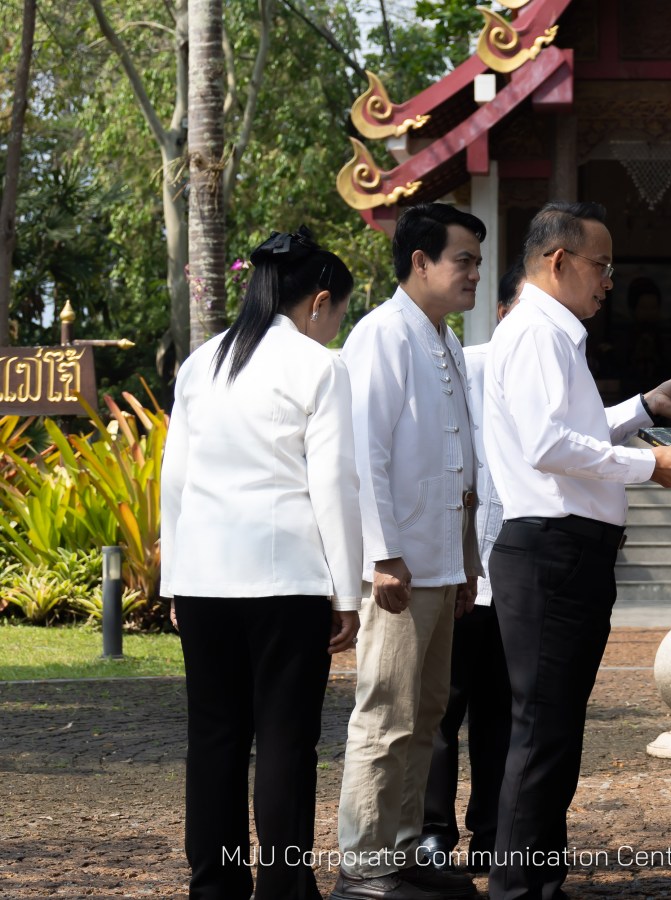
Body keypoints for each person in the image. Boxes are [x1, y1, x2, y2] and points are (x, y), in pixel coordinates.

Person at [482, 201, 671, 900]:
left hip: (564, 549)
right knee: (542, 734)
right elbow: (549, 446)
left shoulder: (553, 334)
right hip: (551, 549)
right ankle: (520, 890)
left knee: (553, 731)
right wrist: (649, 466)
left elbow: (572, 429)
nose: (610, 281)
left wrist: (644, 405)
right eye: (601, 265)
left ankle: (538, 884)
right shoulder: (536, 334)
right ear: (557, 261)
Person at [161, 226, 361, 900]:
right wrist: (349, 592)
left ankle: (214, 884)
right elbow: (333, 484)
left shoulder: (201, 364)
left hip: (207, 577)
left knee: (214, 738)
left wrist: (174, 583)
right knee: (284, 739)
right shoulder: (318, 367)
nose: (334, 328)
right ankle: (282, 887)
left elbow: (175, 482)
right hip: (287, 581)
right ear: (318, 302)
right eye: (337, 315)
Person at [333, 203, 487, 900]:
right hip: (398, 566)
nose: (475, 274)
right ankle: (363, 861)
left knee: (426, 715)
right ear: (420, 262)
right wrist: (382, 554)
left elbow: (459, 458)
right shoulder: (381, 335)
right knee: (385, 712)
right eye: (464, 260)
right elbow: (362, 455)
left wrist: (466, 560)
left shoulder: (444, 339)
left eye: (479, 262)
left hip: (441, 559)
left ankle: (400, 848)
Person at [419, 259, 526, 874]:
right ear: (504, 313)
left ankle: (493, 831)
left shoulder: (553, 375)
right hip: (454, 569)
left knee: (501, 712)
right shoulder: (463, 364)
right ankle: (435, 832)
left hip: (511, 569)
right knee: (441, 708)